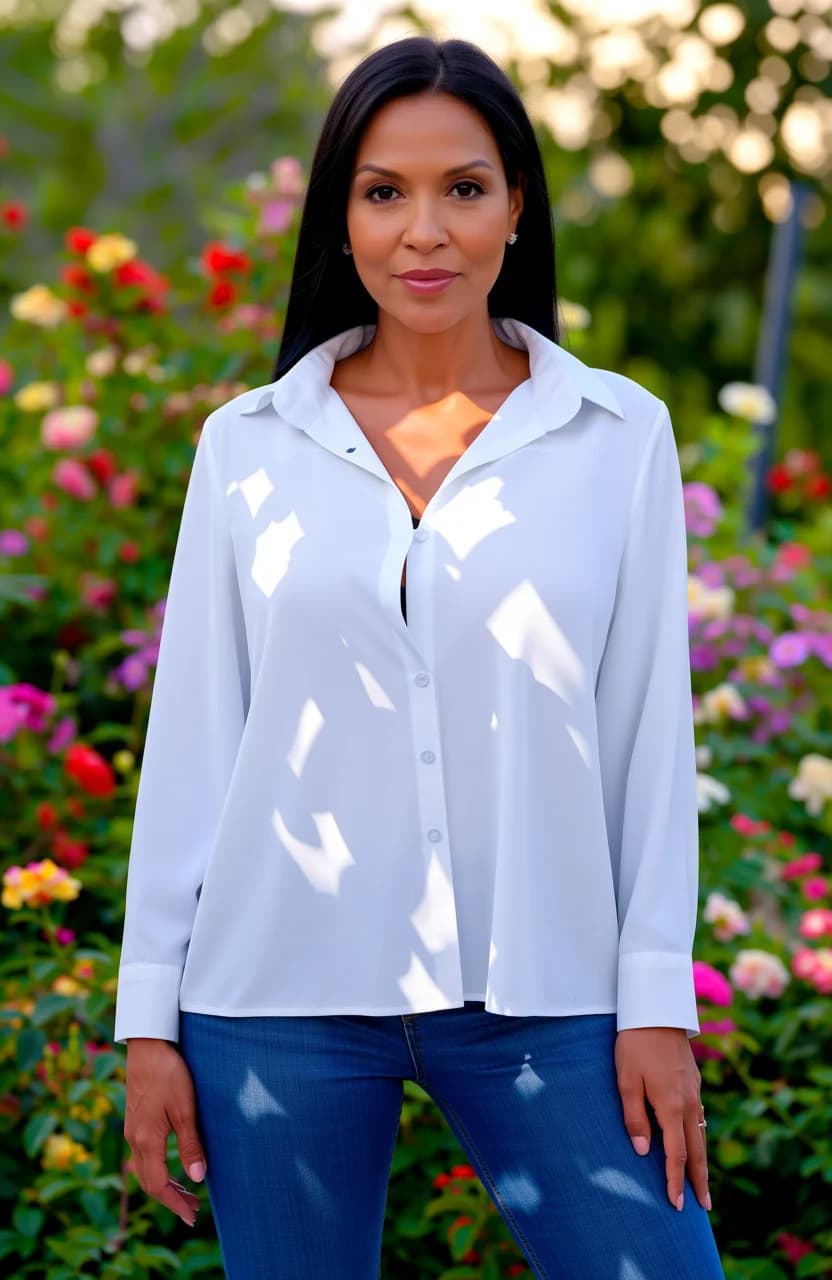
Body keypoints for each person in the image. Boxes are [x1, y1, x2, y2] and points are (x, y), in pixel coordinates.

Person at [115, 34, 726, 1280]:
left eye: (464, 187)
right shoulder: (249, 448)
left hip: (543, 986)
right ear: (340, 218)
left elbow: (647, 735)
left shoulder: (616, 436)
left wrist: (656, 999)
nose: (424, 229)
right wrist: (149, 1023)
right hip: (270, 993)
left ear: (516, 208)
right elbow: (195, 741)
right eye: (384, 191)